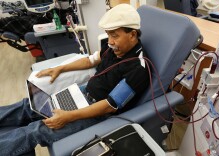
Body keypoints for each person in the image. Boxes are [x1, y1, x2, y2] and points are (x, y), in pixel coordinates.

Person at [0, 4, 149, 155]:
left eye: (115, 36)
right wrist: (59, 69)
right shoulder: (113, 48)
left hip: (97, 115)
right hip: (81, 94)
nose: (110, 41)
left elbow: (109, 106)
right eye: (108, 34)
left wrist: (68, 116)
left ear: (132, 34)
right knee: (29, 105)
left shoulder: (138, 69)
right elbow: (90, 60)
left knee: (36, 131)